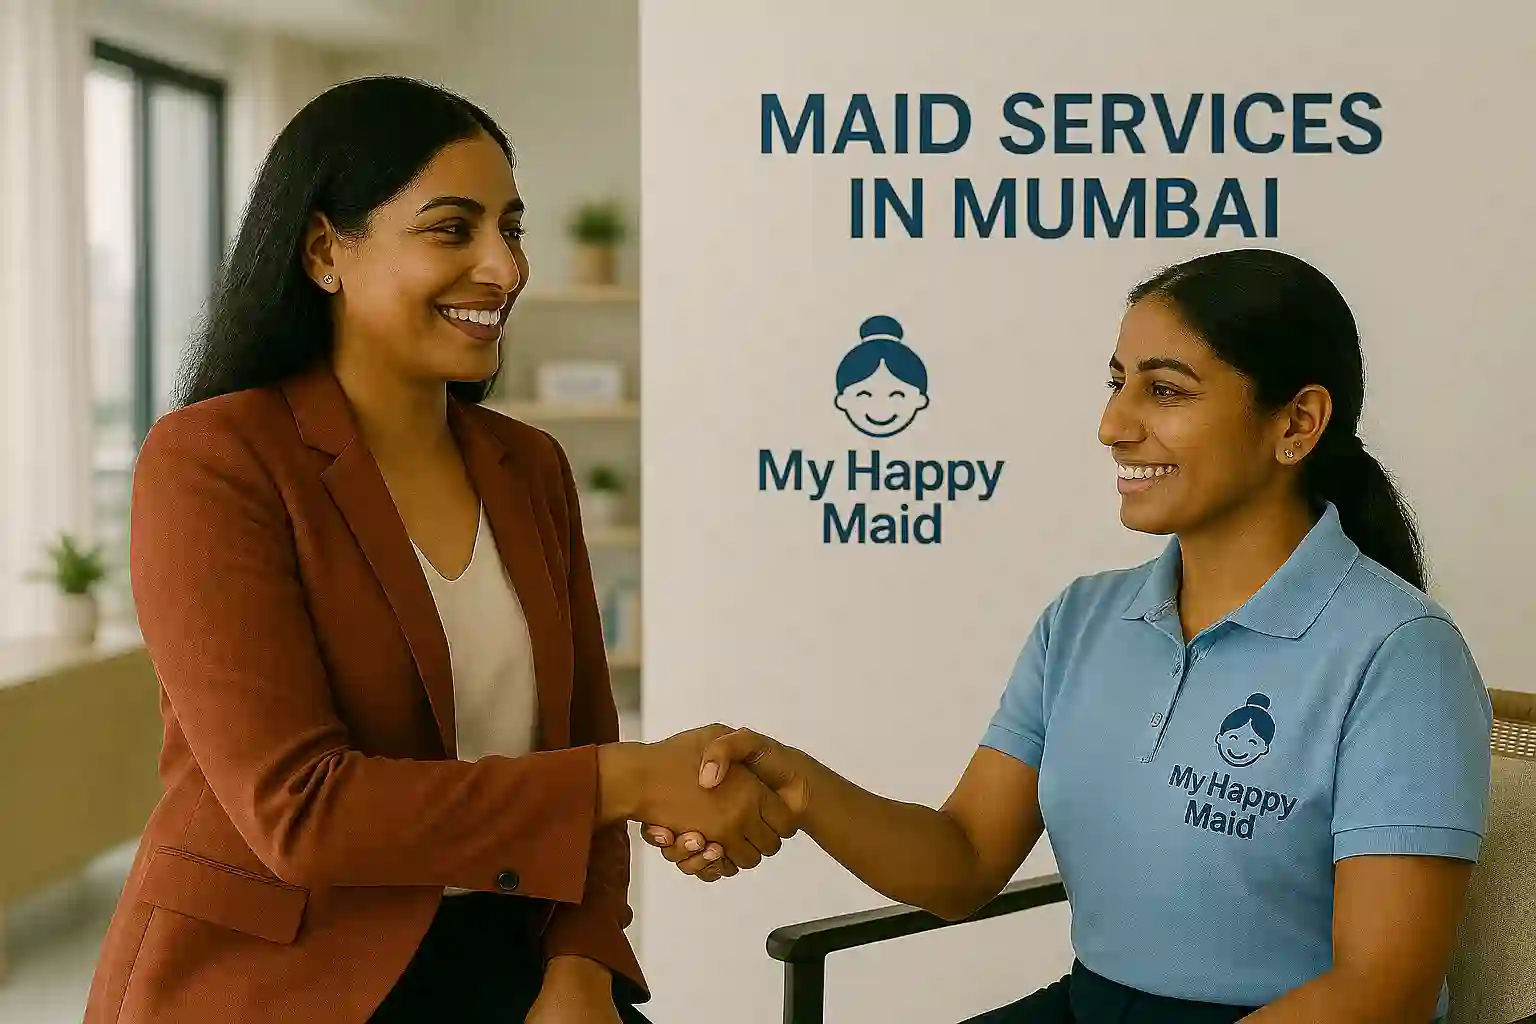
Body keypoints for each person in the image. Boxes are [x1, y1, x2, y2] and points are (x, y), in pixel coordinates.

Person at [84, 76, 794, 1024]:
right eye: (452, 229)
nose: (503, 267)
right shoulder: (212, 462)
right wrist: (630, 781)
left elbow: (581, 738)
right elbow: (304, 809)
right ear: (325, 249)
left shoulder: (529, 467)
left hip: (506, 960)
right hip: (280, 981)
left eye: (512, 227)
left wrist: (582, 966)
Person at [645, 249, 1494, 1023]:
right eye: (1116, 382)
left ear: (1297, 423)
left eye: (1164, 390)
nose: (1114, 424)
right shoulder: (1082, 621)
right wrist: (802, 792)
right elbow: (965, 861)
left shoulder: (1400, 652)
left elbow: (1382, 990)